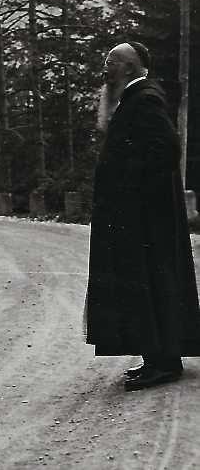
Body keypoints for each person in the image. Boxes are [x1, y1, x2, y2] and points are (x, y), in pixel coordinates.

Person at [85, 41, 200, 391]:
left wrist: (129, 189)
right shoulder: (135, 97)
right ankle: (157, 359)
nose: (105, 68)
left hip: (146, 219)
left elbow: (166, 149)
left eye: (111, 62)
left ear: (131, 68)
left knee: (151, 283)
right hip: (141, 217)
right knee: (147, 285)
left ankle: (163, 364)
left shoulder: (145, 98)